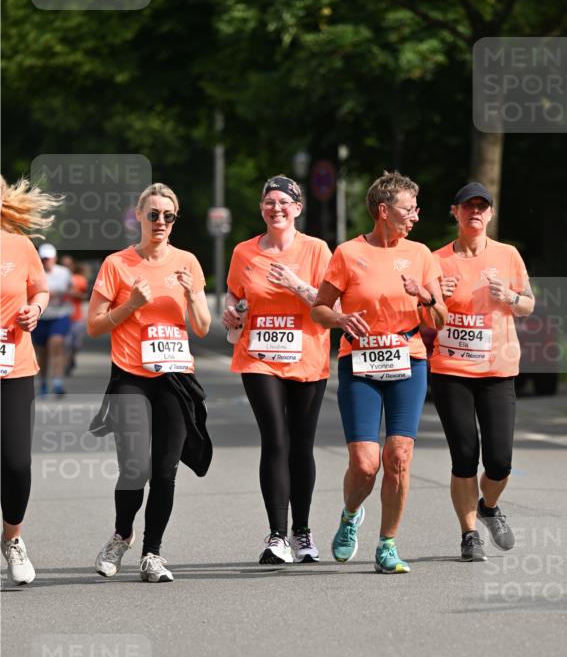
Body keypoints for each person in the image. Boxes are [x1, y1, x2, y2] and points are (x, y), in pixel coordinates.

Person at [312, 171, 446, 575]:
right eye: (409, 209)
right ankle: (351, 514)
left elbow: (440, 317)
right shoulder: (348, 253)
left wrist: (425, 296)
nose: (416, 217)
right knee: (366, 463)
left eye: (417, 209)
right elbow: (319, 309)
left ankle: (388, 543)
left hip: (409, 359)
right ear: (384, 211)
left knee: (399, 456)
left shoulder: (421, 254)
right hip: (360, 362)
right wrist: (340, 319)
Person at [87, 182, 212, 583]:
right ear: (138, 216)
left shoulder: (187, 262)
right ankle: (121, 535)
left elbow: (203, 327)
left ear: (175, 220)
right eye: (153, 214)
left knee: (164, 470)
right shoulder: (117, 264)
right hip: (131, 377)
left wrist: (192, 295)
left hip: (175, 378)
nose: (161, 221)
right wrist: (131, 305)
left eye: (168, 216)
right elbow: (94, 326)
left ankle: (152, 553)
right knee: (134, 468)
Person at [224, 175, 331, 566]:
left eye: (284, 202)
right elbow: (235, 295)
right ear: (261, 209)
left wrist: (296, 284)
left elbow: (331, 305)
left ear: (297, 208)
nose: (276, 208)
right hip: (259, 356)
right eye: (269, 202)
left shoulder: (317, 250)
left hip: (308, 357)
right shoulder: (244, 252)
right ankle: (277, 535)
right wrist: (232, 312)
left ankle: (302, 531)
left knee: (301, 445)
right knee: (275, 439)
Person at [430, 181, 534, 561]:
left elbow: (528, 305)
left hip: (497, 370)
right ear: (455, 212)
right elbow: (425, 318)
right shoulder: (436, 260)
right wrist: (437, 298)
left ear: (490, 213)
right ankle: (469, 533)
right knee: (463, 455)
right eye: (467, 206)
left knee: (500, 462)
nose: (475, 211)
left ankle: (488, 507)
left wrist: (510, 296)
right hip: (451, 370)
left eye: (481, 206)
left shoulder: (508, 255)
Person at [0, 175, 58, 584]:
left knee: (16, 462)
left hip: (14, 366)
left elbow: (40, 291)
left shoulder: (19, 245)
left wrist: (34, 311)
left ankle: (13, 538)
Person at [32, 242, 72, 395]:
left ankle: (57, 382)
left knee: (56, 345)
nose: (46, 261)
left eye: (49, 258)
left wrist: (62, 294)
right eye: (44, 259)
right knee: (42, 352)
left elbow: (69, 289)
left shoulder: (64, 272)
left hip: (59, 315)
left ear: (55, 258)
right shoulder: (35, 272)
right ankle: (43, 382)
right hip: (41, 317)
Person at [61, 255, 89, 375]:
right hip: (63, 316)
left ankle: (72, 358)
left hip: (77, 317)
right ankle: (66, 364)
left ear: (72, 266)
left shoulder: (80, 279)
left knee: (76, 344)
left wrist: (74, 293)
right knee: (66, 343)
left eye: (68, 265)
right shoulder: (58, 278)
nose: (66, 267)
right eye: (64, 265)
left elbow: (86, 296)